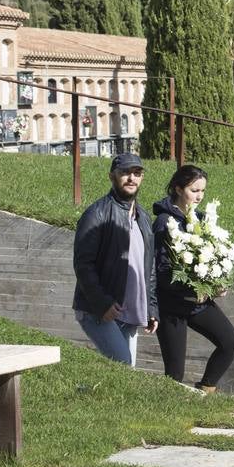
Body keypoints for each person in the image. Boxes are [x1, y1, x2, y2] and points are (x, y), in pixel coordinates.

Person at [152, 165, 234, 394]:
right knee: (175, 374)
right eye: (194, 190)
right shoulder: (164, 222)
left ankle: (206, 388)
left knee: (230, 341)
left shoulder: (201, 220)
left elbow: (212, 255)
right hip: (171, 305)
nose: (199, 196)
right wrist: (190, 290)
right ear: (178, 189)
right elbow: (162, 271)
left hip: (198, 303)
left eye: (202, 190)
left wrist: (215, 282)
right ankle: (168, 411)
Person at [72, 153, 158, 365]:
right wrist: (102, 303)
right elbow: (83, 265)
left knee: (124, 373)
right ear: (112, 176)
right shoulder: (97, 214)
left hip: (130, 309)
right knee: (123, 363)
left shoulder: (143, 217)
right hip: (99, 310)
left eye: (137, 173)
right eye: (125, 172)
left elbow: (150, 266)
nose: (132, 178)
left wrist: (151, 307)